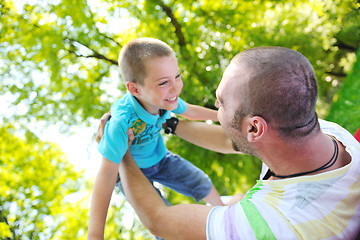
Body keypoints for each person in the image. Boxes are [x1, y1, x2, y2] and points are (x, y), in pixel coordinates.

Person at [109, 46, 360, 239]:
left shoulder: (272, 222)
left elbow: (159, 219)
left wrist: (123, 154)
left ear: (254, 127)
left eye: (221, 102)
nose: (215, 107)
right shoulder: (328, 134)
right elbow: (233, 139)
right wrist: (169, 124)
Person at [88, 38, 225, 239]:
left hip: (160, 160)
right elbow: (106, 175)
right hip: (132, 173)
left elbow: (190, 112)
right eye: (163, 82)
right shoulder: (121, 122)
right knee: (162, 227)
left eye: (177, 76)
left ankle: (224, 216)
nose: (176, 87)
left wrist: (222, 115)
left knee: (201, 182)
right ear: (135, 89)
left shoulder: (165, 99)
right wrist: (95, 235)